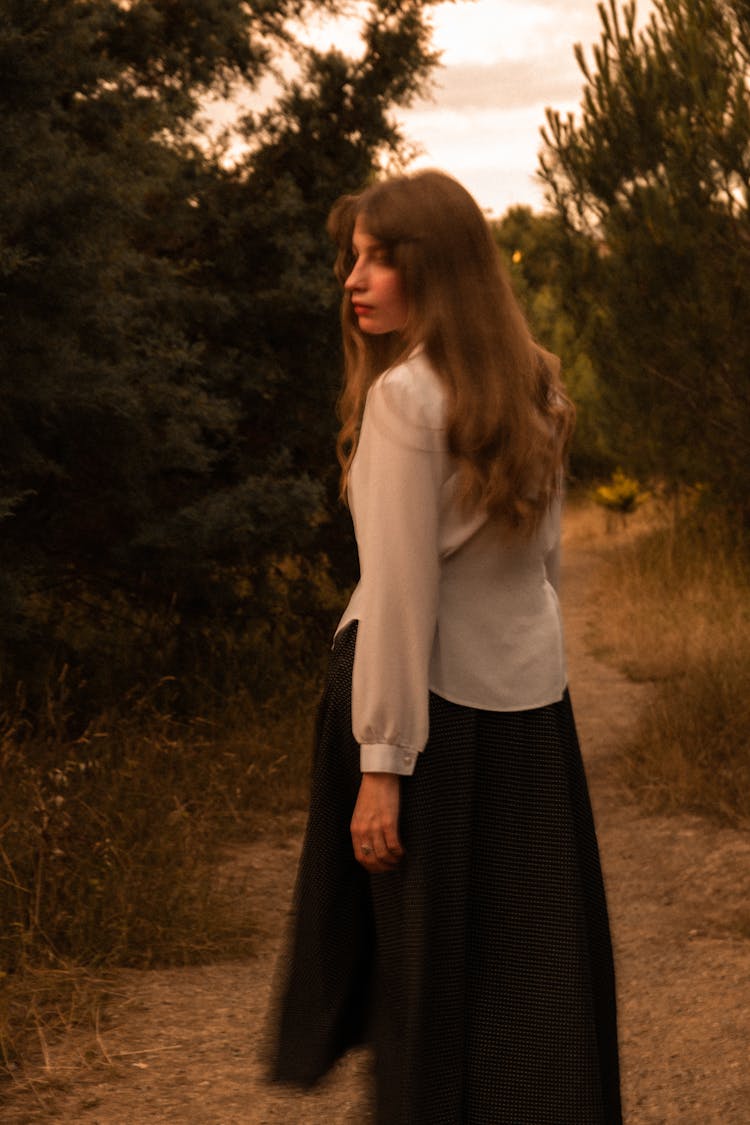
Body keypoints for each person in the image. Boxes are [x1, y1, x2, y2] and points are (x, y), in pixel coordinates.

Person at [269, 169, 622, 1124]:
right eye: (353, 257)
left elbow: (397, 596)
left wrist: (380, 765)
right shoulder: (537, 381)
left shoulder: (405, 401)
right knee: (531, 960)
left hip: (422, 720)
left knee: (423, 976)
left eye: (382, 257)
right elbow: (540, 567)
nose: (355, 277)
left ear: (439, 266)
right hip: (528, 710)